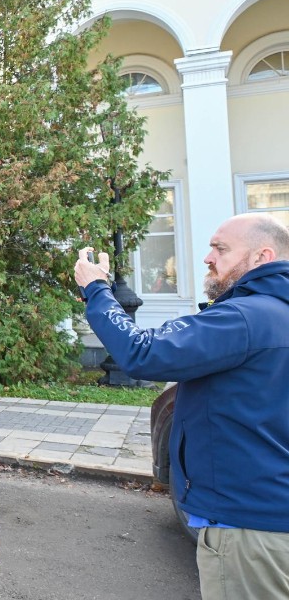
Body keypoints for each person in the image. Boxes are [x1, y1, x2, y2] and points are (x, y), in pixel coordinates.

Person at [74, 213, 289, 600]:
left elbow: (143, 353)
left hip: (247, 524)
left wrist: (97, 289)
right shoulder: (275, 314)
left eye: (220, 249)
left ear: (262, 256)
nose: (208, 257)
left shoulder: (244, 318)